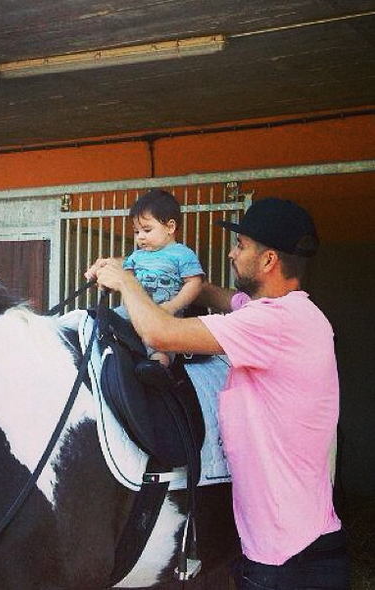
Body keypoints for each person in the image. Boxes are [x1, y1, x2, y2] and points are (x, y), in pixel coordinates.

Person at [86, 197, 349, 589]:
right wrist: (179, 276)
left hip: (288, 562)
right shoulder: (294, 314)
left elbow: (161, 333)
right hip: (287, 550)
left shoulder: (275, 323)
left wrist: (126, 281)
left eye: (240, 246)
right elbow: (226, 299)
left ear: (269, 260)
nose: (231, 253)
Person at [116, 188, 204, 367]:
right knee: (107, 320)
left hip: (163, 314)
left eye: (147, 230)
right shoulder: (136, 256)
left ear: (170, 227)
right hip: (133, 310)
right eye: (136, 232)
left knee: (160, 349)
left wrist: (173, 306)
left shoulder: (183, 254)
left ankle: (157, 371)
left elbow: (194, 283)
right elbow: (123, 274)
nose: (140, 237)